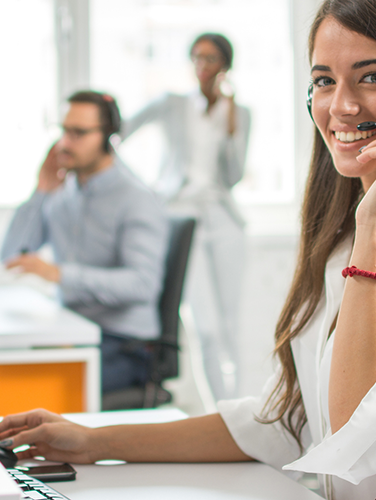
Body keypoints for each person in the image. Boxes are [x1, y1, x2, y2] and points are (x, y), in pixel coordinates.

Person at [0, 1, 376, 498]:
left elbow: (365, 437)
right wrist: (94, 441)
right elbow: (291, 422)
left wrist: (375, 229)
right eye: (323, 80)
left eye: (372, 76)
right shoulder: (343, 243)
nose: (340, 106)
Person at [0, 90, 169, 394]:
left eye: (78, 133)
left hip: (124, 344)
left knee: (34, 390)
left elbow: (143, 284)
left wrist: (61, 274)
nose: (65, 143)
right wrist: (41, 191)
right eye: (64, 130)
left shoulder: (137, 199)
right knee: (5, 373)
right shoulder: (62, 193)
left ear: (108, 137)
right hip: (72, 331)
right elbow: (11, 256)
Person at [117, 33, 251, 400]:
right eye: (196, 57)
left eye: (210, 58)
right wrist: (148, 191)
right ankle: (218, 411)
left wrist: (231, 124)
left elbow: (234, 176)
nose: (201, 66)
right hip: (180, 216)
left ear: (225, 66)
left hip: (222, 218)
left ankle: (240, 406)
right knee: (205, 327)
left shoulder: (239, 113)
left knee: (231, 325)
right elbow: (119, 133)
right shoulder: (172, 104)